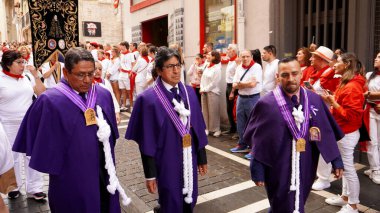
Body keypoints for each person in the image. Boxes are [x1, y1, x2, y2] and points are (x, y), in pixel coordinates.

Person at [12, 47, 130, 212]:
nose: (87, 80)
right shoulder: (50, 101)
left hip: (105, 171)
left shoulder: (103, 94)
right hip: (71, 175)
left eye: (91, 73)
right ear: (66, 73)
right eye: (81, 74)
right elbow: (39, 143)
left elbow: (112, 136)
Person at [246, 57, 344, 213]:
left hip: (306, 162)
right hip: (278, 165)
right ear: (277, 77)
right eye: (284, 75)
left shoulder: (313, 99)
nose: (290, 79)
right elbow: (258, 140)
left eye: (294, 73)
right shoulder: (266, 103)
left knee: (298, 201)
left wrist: (336, 160)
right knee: (281, 203)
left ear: (301, 75)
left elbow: (325, 130)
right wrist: (257, 168)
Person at [125, 47, 208, 213]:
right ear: (159, 70)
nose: (176, 70)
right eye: (170, 66)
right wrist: (150, 174)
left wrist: (201, 156)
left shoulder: (189, 92)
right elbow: (146, 140)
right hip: (166, 160)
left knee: (191, 197)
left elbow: (197, 127)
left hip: (189, 156)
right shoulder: (147, 99)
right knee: (171, 200)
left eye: (178, 65)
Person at [0, 50, 46, 200]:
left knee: (30, 154)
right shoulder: (1, 79)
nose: (23, 65)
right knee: (12, 156)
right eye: (19, 62)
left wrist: (35, 75)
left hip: (28, 122)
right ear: (8, 64)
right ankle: (14, 186)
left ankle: (35, 187)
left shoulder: (26, 77)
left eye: (23, 62)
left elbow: (42, 93)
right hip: (7, 123)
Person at [324, 53, 366, 213]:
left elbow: (352, 116)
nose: (333, 65)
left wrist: (333, 102)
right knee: (345, 167)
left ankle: (353, 206)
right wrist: (332, 100)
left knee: (348, 169)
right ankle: (345, 198)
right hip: (342, 132)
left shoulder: (352, 86)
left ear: (347, 64)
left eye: (337, 62)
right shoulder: (347, 82)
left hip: (346, 133)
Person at [230, 50, 262, 156]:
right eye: (243, 56)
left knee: (253, 124)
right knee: (240, 123)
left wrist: (240, 84)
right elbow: (234, 84)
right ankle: (242, 144)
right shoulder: (239, 67)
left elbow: (253, 84)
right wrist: (244, 84)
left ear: (251, 57)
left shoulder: (257, 67)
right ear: (240, 57)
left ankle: (255, 148)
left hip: (253, 98)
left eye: (247, 56)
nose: (245, 59)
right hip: (241, 98)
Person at [363, 51, 380, 184]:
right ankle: (375, 169)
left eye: (379, 57)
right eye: (376, 56)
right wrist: (369, 95)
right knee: (372, 141)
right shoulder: (369, 75)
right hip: (370, 111)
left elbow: (368, 94)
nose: (376, 59)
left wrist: (370, 94)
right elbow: (363, 93)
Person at [200, 51, 222, 137]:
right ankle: (206, 128)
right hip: (204, 91)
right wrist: (202, 88)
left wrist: (205, 89)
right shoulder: (207, 65)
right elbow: (202, 78)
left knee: (213, 111)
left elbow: (215, 83)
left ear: (214, 57)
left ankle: (216, 129)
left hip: (213, 91)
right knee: (204, 110)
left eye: (209, 55)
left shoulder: (217, 68)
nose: (207, 56)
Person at [224, 44, 239, 135]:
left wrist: (233, 91)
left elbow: (237, 77)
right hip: (228, 85)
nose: (227, 51)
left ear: (234, 51)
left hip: (233, 86)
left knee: (234, 109)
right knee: (229, 108)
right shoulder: (230, 61)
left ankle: (237, 129)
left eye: (229, 49)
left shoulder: (237, 62)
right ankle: (232, 127)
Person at [119, 41, 135, 110]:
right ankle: (124, 105)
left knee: (129, 91)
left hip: (128, 74)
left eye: (121, 45)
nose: (120, 47)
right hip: (121, 74)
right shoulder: (120, 54)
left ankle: (131, 106)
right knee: (123, 91)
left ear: (124, 46)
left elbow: (133, 64)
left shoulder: (131, 54)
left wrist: (131, 72)